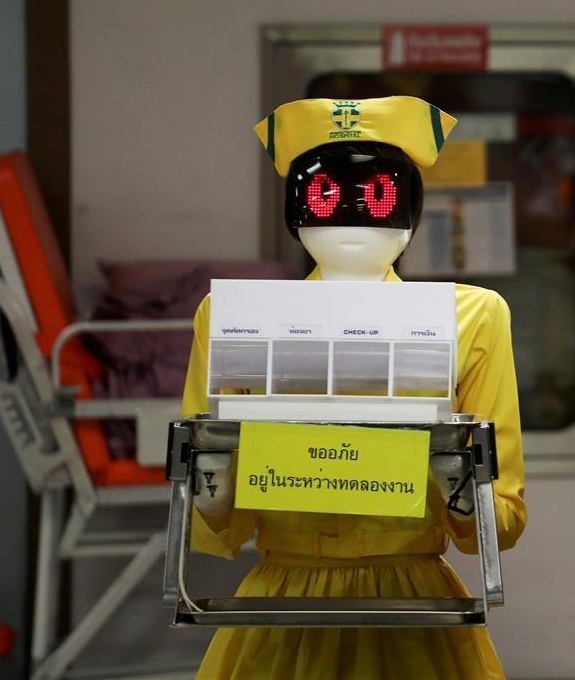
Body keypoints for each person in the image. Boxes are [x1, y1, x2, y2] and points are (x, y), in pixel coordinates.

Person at [182, 96, 526, 679]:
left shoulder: (472, 317)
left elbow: (505, 516)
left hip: (410, 604)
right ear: (298, 210)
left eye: (376, 196)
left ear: (410, 210)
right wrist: (210, 489)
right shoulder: (232, 317)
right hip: (283, 606)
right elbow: (211, 512)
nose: (351, 217)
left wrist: (463, 492)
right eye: (325, 197)